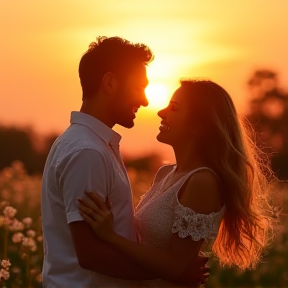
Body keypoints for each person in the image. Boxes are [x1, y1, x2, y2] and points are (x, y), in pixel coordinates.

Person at [41, 37, 208, 288]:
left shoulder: (95, 145)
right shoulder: (88, 152)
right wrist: (171, 273)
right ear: (109, 83)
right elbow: (91, 255)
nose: (145, 101)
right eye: (139, 87)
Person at [78, 79, 276, 287]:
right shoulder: (165, 173)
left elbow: (175, 267)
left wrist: (111, 236)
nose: (161, 112)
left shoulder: (202, 182)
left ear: (199, 126)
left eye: (174, 108)